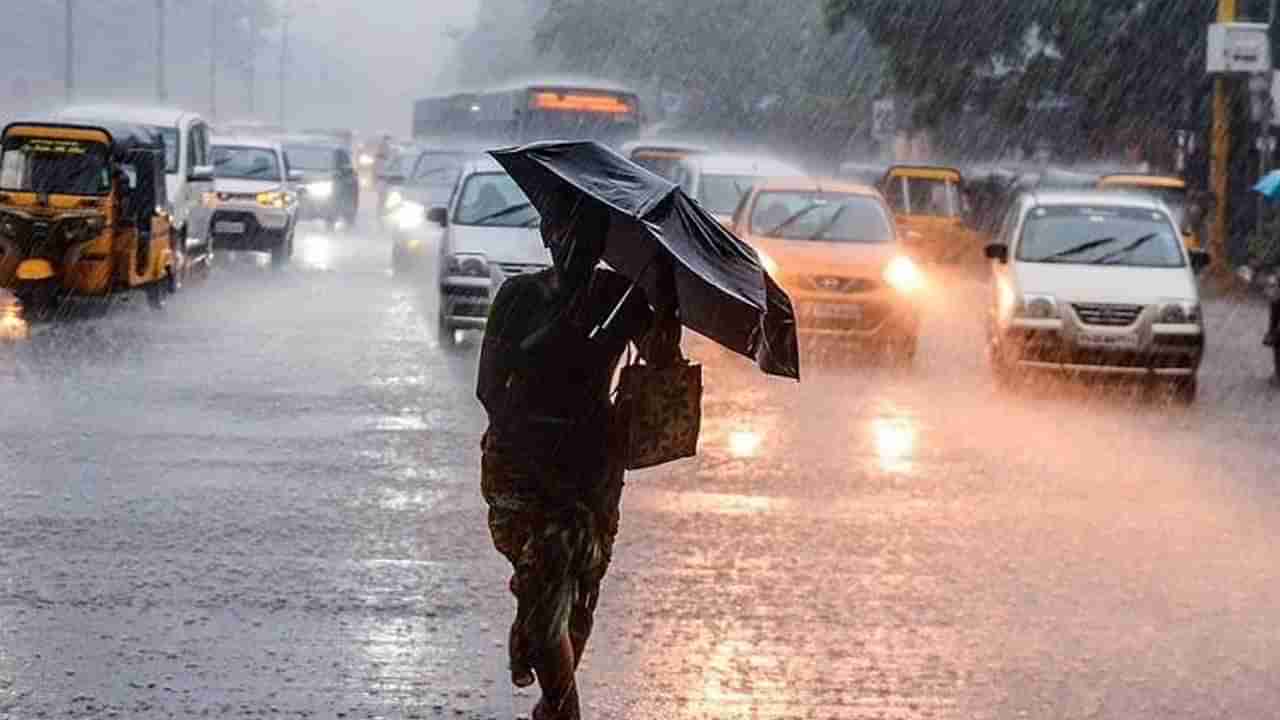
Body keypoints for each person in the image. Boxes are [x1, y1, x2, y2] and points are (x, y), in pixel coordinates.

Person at [476, 201, 682, 719]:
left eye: (590, 237)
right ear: (547, 235)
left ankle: (552, 698)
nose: (577, 248)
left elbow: (660, 361)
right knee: (546, 579)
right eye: (566, 234)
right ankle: (564, 707)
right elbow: (490, 389)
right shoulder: (520, 297)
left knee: (578, 593)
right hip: (522, 465)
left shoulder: (616, 297)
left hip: (592, 468)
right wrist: (562, 318)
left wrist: (666, 299)